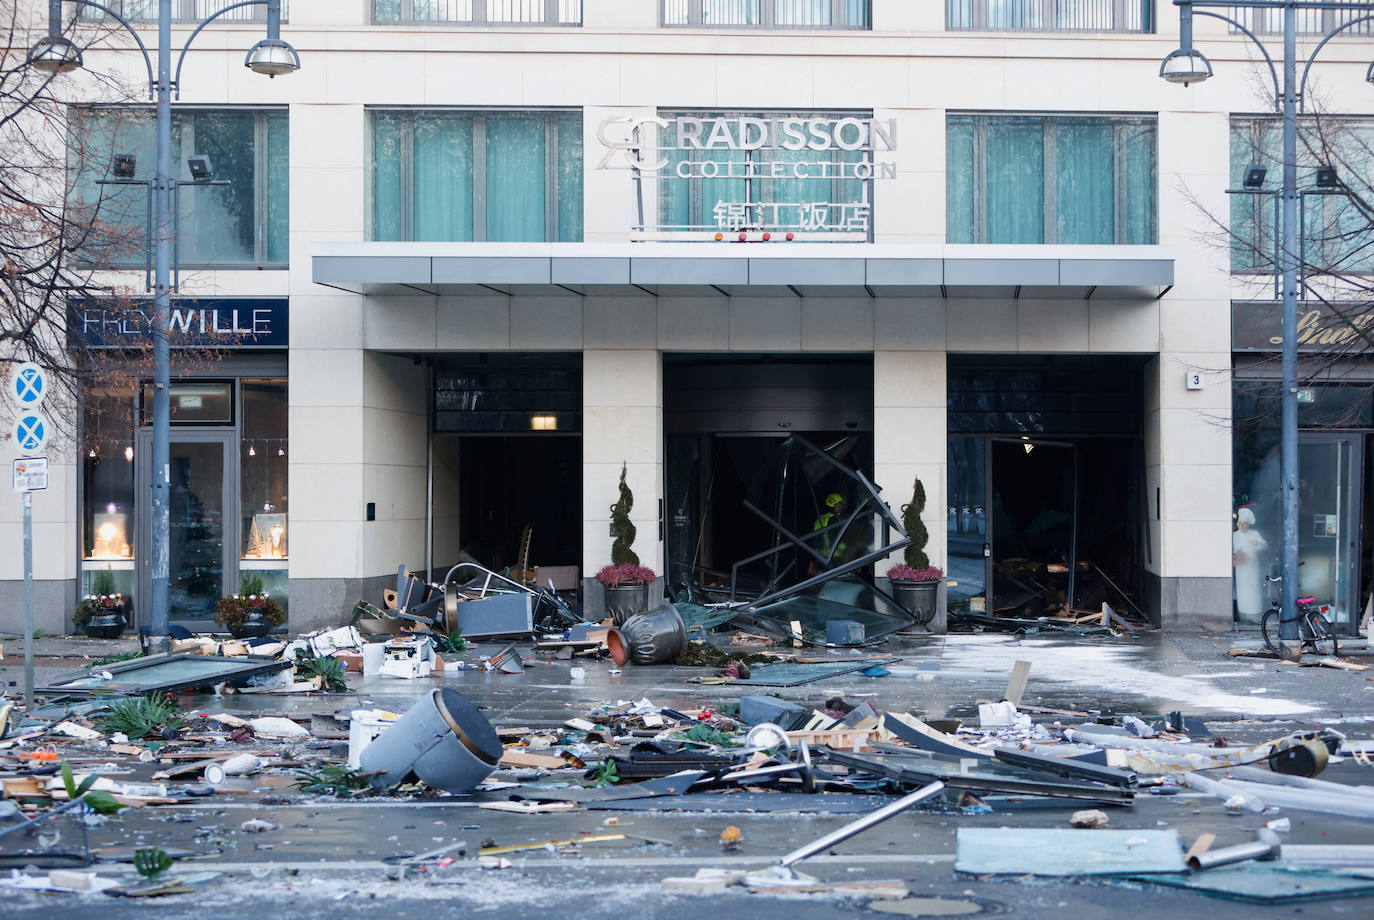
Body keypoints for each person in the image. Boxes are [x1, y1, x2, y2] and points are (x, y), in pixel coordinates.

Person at [1233, 506, 1268, 622]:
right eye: (1240, 523)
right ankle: (1243, 614)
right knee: (1243, 591)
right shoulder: (1235, 535)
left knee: (1253, 591)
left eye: (1245, 524)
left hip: (1253, 567)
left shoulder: (1254, 533)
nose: (1242, 526)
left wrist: (1257, 543)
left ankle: (1254, 614)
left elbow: (1264, 545)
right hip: (1241, 568)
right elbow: (1236, 550)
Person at [813, 493, 847, 560]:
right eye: (840, 503)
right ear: (835, 505)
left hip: (819, 554)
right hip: (831, 555)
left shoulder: (822, 518)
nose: (841, 505)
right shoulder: (833, 520)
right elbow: (838, 538)